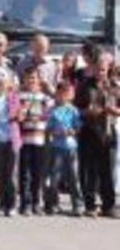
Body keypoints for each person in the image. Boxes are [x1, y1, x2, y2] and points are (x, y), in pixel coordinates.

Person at [74, 51, 117, 218]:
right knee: (89, 171)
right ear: (93, 68)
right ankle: (90, 205)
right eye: (98, 69)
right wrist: (87, 111)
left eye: (104, 70)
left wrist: (114, 111)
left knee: (107, 171)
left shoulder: (113, 86)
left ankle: (109, 206)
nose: (101, 72)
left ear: (108, 70)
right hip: (89, 131)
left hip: (107, 132)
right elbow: (75, 108)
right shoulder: (84, 85)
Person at [18, 66, 52, 216]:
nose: (32, 80)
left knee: (38, 173)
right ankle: (25, 204)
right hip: (24, 139)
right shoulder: (20, 96)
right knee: (25, 173)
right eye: (29, 78)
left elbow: (48, 116)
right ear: (24, 80)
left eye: (34, 78)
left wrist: (39, 116)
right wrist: (23, 111)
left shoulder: (44, 98)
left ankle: (37, 203)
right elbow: (17, 116)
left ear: (39, 80)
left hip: (39, 139)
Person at [45, 82, 83, 216]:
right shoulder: (52, 110)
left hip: (71, 147)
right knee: (54, 177)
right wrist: (55, 132)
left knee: (74, 177)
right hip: (56, 147)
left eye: (67, 93)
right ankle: (54, 204)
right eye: (61, 93)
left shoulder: (73, 110)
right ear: (57, 94)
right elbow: (48, 128)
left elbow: (78, 127)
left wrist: (71, 131)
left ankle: (77, 205)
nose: (63, 96)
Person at [0, 77, 21, 217]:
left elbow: (17, 115)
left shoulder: (13, 97)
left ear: (8, 84)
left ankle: (12, 205)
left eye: (3, 82)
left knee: (11, 174)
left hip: (11, 139)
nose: (0, 84)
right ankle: (1, 204)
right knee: (0, 174)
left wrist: (16, 114)